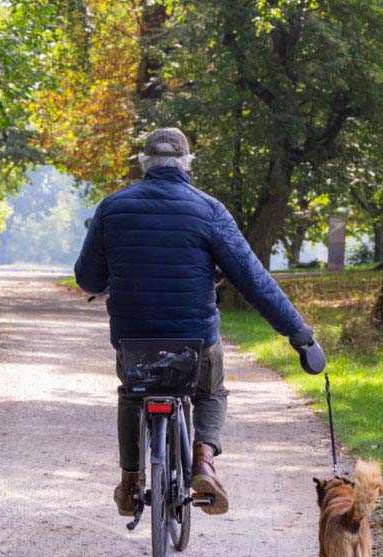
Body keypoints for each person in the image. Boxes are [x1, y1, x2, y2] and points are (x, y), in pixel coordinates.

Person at [74, 127, 322, 517]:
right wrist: (300, 334)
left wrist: (111, 278)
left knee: (132, 394)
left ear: (144, 163)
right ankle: (203, 462)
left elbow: (87, 279)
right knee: (210, 392)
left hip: (133, 340)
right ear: (187, 164)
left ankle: (129, 481)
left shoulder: (112, 208)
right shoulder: (208, 210)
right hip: (195, 341)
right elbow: (253, 279)